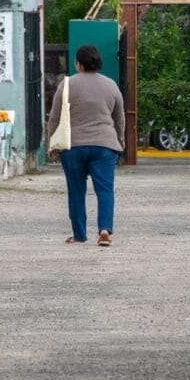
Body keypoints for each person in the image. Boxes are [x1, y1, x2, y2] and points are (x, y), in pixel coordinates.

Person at [47, 45, 125, 246]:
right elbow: (119, 118)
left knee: (76, 190)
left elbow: (54, 117)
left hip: (73, 146)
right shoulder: (111, 85)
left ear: (78, 64)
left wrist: (52, 143)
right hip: (105, 145)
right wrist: (120, 139)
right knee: (105, 190)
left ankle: (80, 235)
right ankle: (105, 230)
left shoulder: (66, 85)